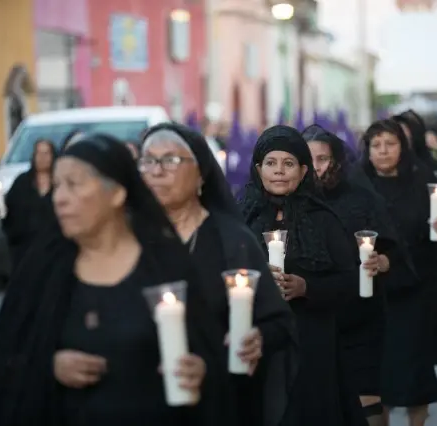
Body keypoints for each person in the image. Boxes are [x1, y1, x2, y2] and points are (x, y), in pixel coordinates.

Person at [0, 134, 236, 426]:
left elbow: (208, 356)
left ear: (117, 193)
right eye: (57, 186)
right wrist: (46, 367)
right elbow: (2, 361)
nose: (60, 198)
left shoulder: (164, 265)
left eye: (74, 184)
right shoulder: (43, 269)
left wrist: (199, 371)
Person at [140, 123, 298, 426]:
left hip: (220, 403)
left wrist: (257, 339)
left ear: (201, 174)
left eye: (170, 160)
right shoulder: (128, 240)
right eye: (148, 161)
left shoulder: (232, 241)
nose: (157, 171)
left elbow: (278, 322)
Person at [238, 125, 359, 426]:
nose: (279, 171)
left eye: (288, 163)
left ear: (304, 171)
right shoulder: (242, 220)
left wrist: (307, 287)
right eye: (271, 163)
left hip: (311, 338)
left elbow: (349, 282)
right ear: (258, 169)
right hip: (259, 338)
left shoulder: (324, 220)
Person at [361, 119, 437, 426]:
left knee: (415, 368)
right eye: (376, 145)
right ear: (367, 150)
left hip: (418, 286)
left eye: (390, 144)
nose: (383, 151)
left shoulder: (423, 180)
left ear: (403, 147)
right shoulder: (358, 186)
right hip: (375, 289)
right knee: (378, 372)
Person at [303, 124, 395, 426]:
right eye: (308, 159)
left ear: (336, 162)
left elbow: (392, 252)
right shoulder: (289, 204)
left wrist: (381, 261)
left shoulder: (360, 199)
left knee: (368, 399)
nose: (316, 168)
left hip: (361, 315)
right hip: (313, 319)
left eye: (323, 159)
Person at [393, 111, 437, 380]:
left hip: (427, 263)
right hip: (393, 265)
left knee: (424, 327)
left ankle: (423, 374)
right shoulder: (373, 177)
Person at [2, 139, 57, 272]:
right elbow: (11, 212)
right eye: (39, 153)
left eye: (46, 153)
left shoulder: (60, 182)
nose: (42, 158)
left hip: (55, 250)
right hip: (26, 249)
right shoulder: (22, 183)